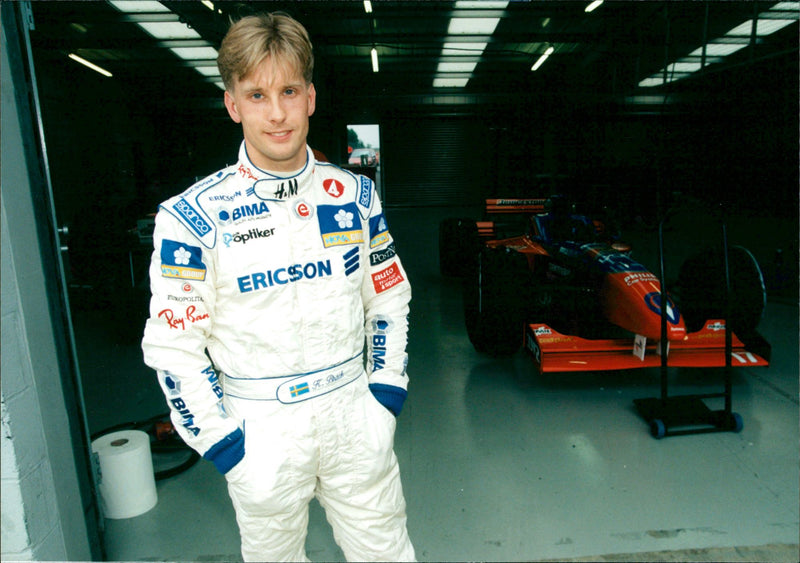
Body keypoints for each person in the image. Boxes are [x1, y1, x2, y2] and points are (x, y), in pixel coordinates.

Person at [141, 12, 415, 562]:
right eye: (257, 94)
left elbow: (388, 298)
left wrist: (384, 395)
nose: (277, 113)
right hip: (261, 436)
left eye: (289, 90)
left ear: (310, 97)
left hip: (354, 420)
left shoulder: (355, 196)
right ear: (233, 104)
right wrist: (225, 446)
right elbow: (174, 348)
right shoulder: (192, 217)